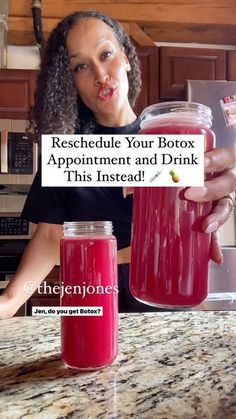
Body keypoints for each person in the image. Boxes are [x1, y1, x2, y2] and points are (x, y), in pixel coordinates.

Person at [0, 10, 235, 318]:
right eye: (81, 66)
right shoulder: (70, 152)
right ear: (71, 82)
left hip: (167, 287)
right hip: (91, 291)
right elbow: (47, 237)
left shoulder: (170, 140)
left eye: (106, 54)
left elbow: (191, 211)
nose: (100, 74)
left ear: (125, 59)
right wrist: (10, 301)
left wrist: (220, 194)